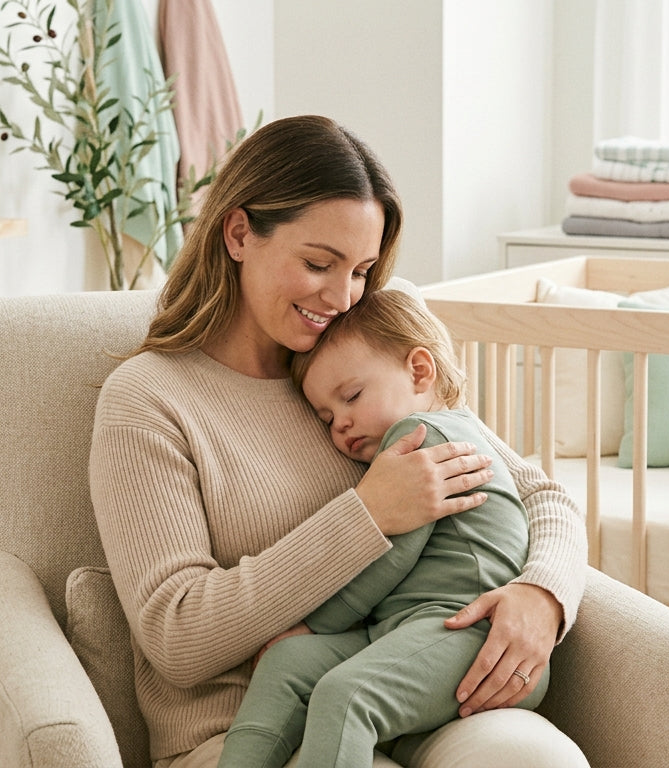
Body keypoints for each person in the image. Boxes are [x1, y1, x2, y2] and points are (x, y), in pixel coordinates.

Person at [89, 114, 589, 768]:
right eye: (319, 264)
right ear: (239, 233)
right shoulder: (149, 399)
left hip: (408, 694)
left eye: (360, 270)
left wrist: (542, 595)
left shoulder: (364, 365)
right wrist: (369, 514)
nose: (342, 296)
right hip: (247, 733)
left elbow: (540, 494)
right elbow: (177, 636)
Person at [217, 288, 547, 768]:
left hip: (471, 635)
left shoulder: (424, 437)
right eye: (327, 418)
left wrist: (313, 625)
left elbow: (389, 557)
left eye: (351, 397)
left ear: (419, 371)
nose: (341, 426)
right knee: (286, 665)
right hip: (404, 630)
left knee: (344, 695)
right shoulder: (434, 437)